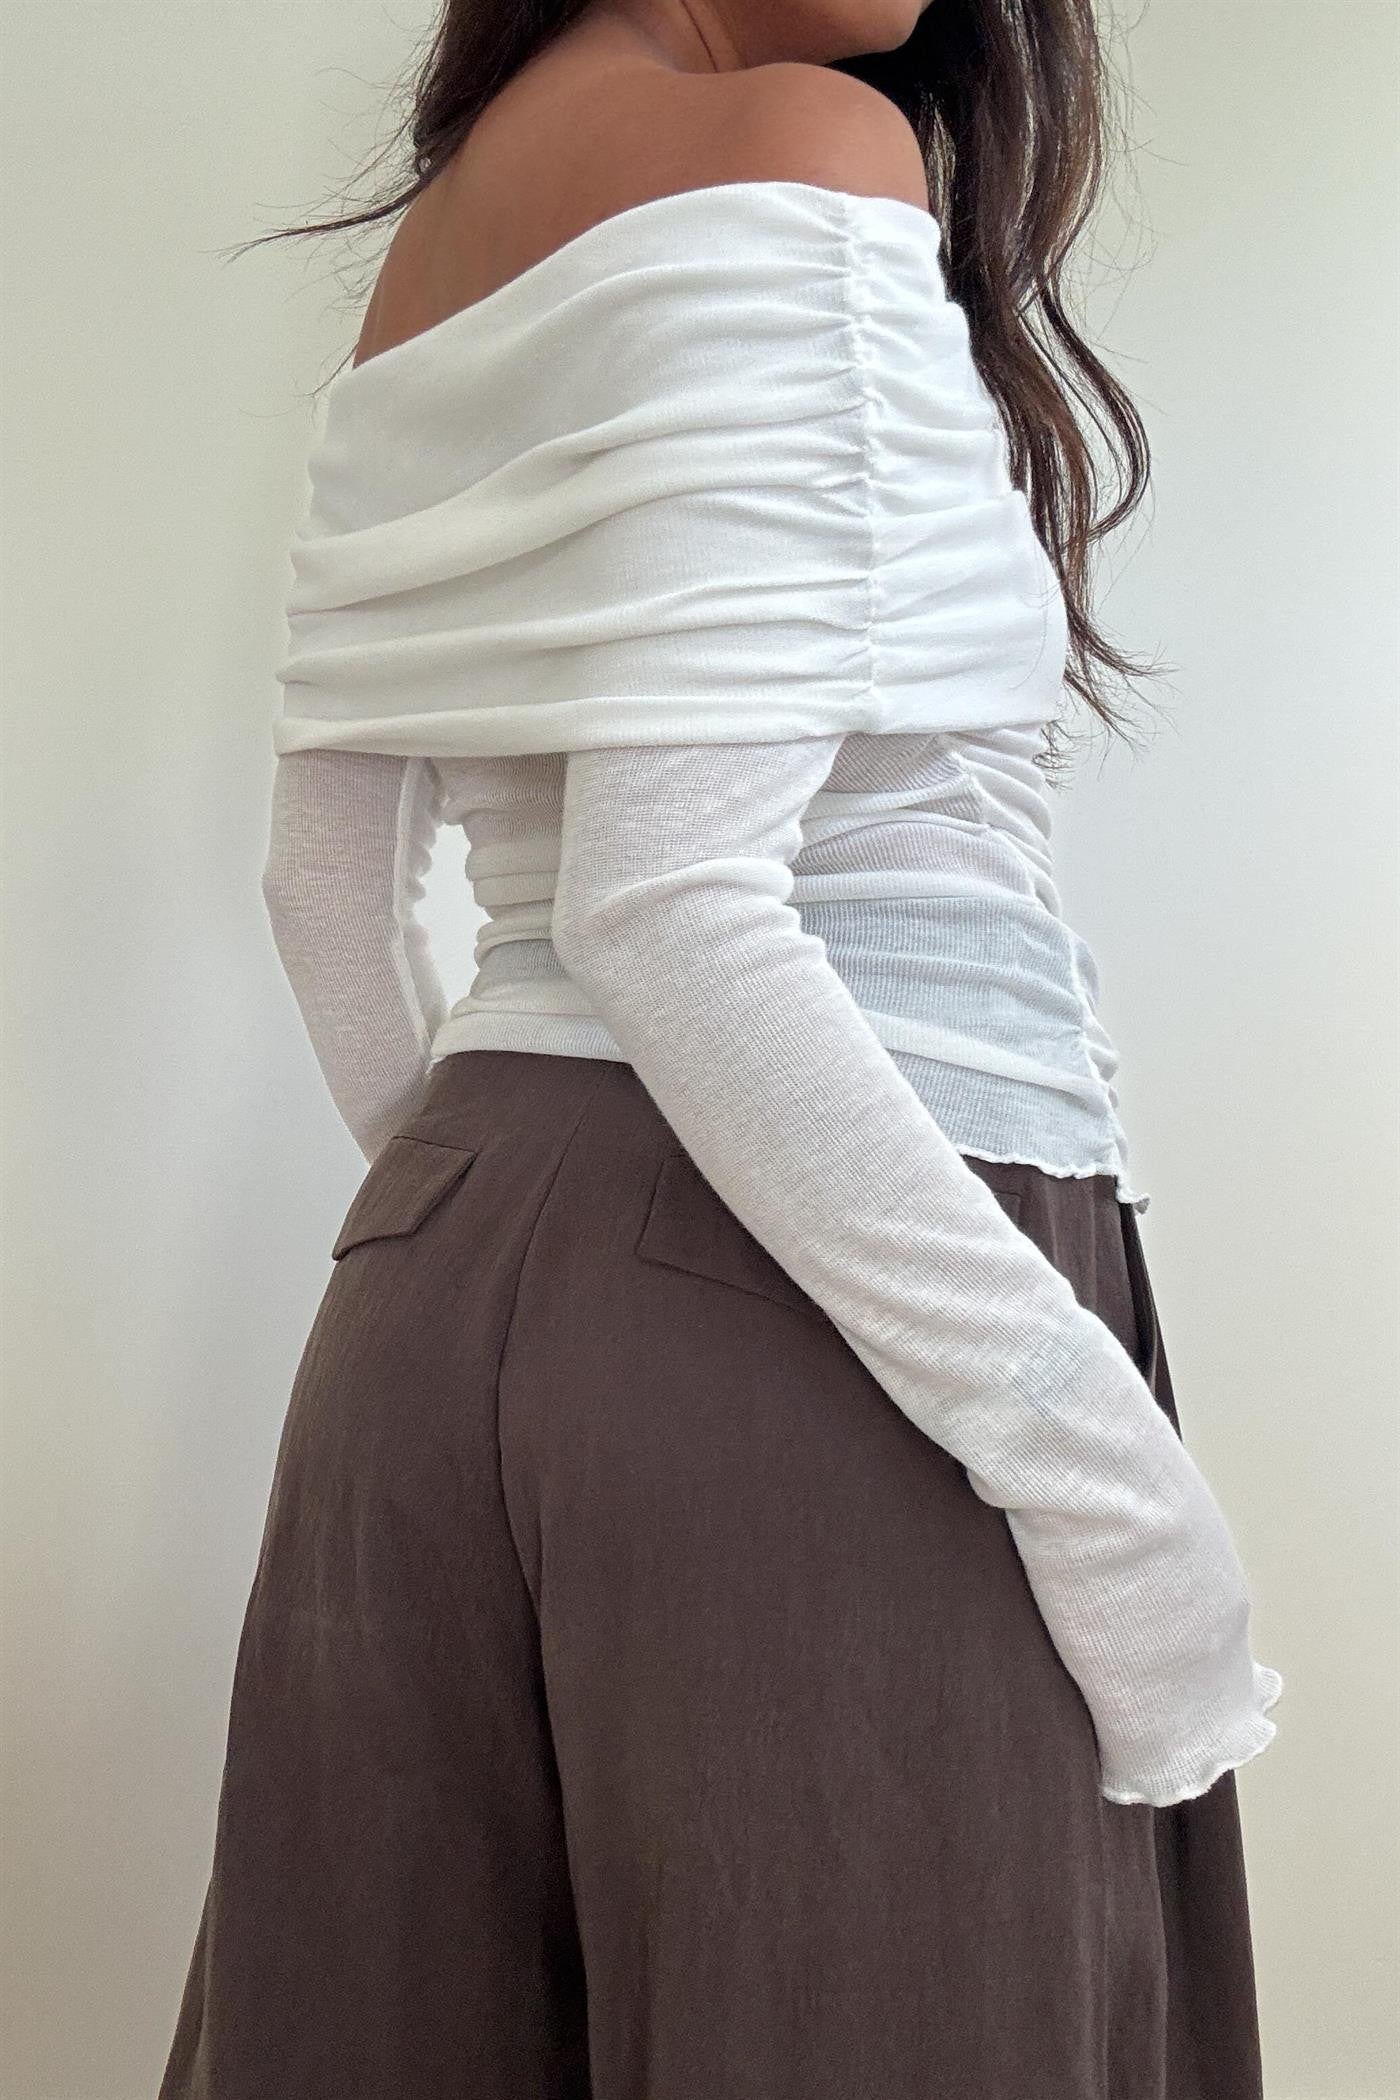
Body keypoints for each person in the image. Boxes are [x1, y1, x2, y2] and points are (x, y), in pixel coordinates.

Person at [159, 2, 1283, 2093]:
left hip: (432, 1287)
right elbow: (669, 909)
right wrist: (1104, 1474)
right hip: (841, 1273)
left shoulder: (442, 241)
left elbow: (325, 891)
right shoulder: (805, 141)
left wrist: (515, 1241)